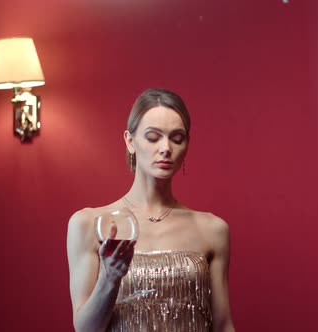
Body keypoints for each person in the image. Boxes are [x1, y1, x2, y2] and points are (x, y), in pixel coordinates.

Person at [66, 88, 235, 332]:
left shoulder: (212, 229)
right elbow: (85, 330)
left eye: (177, 138)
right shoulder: (90, 223)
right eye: (153, 137)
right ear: (130, 141)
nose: (166, 148)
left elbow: (223, 325)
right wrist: (110, 278)